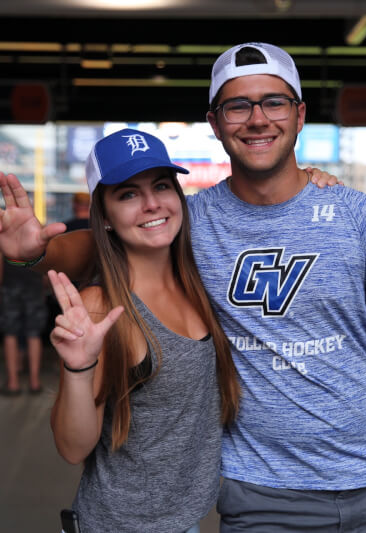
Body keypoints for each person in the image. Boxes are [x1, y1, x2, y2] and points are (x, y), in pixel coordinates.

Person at [0, 42, 366, 532]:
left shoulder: (356, 215)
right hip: (261, 494)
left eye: (274, 102)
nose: (258, 119)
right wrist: (33, 252)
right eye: (238, 106)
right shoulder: (192, 222)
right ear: (215, 123)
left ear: (299, 115)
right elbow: (108, 242)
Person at [47, 128, 241, 532]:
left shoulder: (200, 281)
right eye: (128, 194)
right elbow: (72, 447)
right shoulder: (102, 306)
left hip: (186, 521)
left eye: (161, 186)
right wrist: (78, 369)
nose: (152, 203)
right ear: (105, 217)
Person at [0, 245, 46, 395]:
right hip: (34, 287)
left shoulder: (1, 236)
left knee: (10, 334)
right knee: (34, 334)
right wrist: (42, 289)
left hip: (9, 286)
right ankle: (35, 382)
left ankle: (13, 383)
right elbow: (45, 264)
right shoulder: (36, 234)